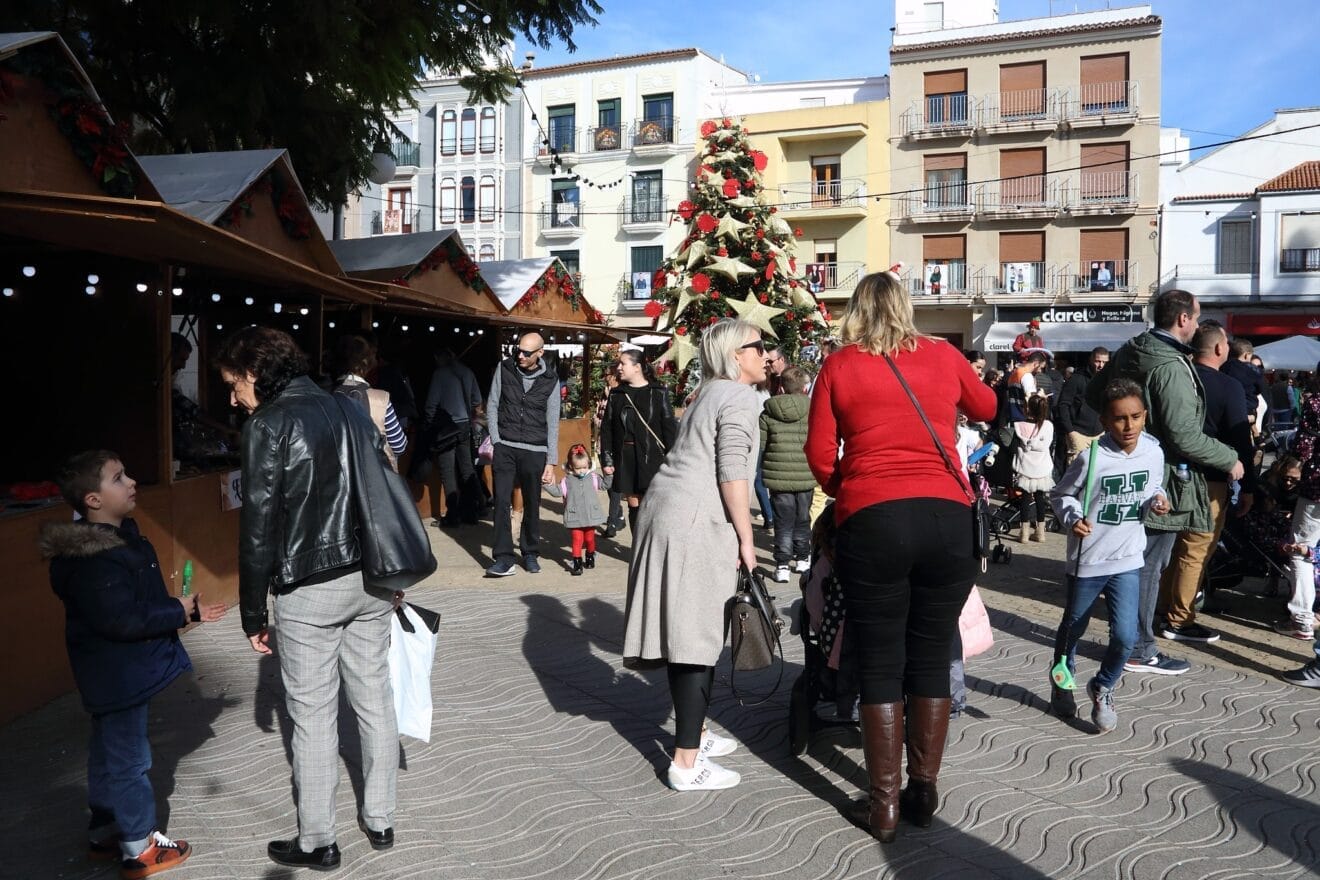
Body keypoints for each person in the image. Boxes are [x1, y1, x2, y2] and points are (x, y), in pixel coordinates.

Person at [806, 272, 997, 843]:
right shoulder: (942, 354)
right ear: (906, 307)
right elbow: (987, 405)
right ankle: (923, 791)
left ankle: (883, 805)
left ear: (856, 311)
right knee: (932, 653)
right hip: (947, 518)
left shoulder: (839, 365)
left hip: (875, 519)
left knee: (881, 660)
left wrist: (851, 489)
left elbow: (819, 453)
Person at [217, 326, 400, 871]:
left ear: (254, 372)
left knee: (315, 714)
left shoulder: (268, 424)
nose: (233, 398)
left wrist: (253, 612)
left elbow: (258, 526)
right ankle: (381, 818)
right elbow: (383, 490)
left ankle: (319, 840)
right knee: (375, 696)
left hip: (308, 585)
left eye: (233, 384)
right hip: (371, 577)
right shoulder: (351, 407)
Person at [41, 450, 225, 879]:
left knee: (108, 751)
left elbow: (132, 603)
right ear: (93, 500)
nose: (131, 482)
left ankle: (105, 829)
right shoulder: (95, 557)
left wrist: (183, 611)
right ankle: (139, 846)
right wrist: (176, 611)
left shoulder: (119, 538)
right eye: (118, 478)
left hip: (114, 671)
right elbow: (121, 619)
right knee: (130, 760)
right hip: (118, 674)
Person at [622, 319, 765, 792]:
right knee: (696, 639)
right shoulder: (740, 396)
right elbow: (732, 472)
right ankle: (686, 763)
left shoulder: (709, 391)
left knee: (685, 632)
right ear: (736, 355)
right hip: (694, 520)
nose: (766, 354)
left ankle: (696, 734)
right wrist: (747, 538)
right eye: (758, 346)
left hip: (668, 510)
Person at [1087, 290, 1244, 677]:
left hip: (1131, 467)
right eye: (1196, 317)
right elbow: (1183, 435)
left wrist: (1128, 435)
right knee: (1146, 566)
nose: (1196, 324)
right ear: (1184, 319)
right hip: (1162, 476)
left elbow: (1095, 395)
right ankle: (1138, 648)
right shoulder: (1170, 365)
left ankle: (1132, 641)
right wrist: (1230, 459)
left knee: (1135, 562)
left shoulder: (1133, 349)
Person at [1049, 380, 1169, 732]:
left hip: (1129, 557)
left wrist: (1158, 500)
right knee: (1073, 628)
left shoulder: (1154, 451)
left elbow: (1154, 485)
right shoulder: (1091, 457)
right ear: (1104, 421)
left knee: (1126, 636)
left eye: (1135, 416)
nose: (1129, 426)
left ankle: (1103, 687)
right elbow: (1060, 494)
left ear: (1145, 415)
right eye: (1119, 418)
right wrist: (1073, 518)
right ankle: (1062, 680)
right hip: (1089, 559)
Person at [1158, 321, 1255, 644]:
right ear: (1218, 348)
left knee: (1173, 548)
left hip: (1172, 475)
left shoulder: (1177, 377)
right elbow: (1241, 440)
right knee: (1196, 551)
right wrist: (1250, 487)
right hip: (1211, 480)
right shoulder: (1229, 386)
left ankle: (1162, 607)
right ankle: (1180, 619)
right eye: (1226, 343)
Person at [485, 332, 560, 577]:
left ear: (540, 353)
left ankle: (530, 552)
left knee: (532, 502)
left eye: (527, 353)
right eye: (518, 350)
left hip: (535, 449)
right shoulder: (505, 368)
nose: (520, 356)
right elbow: (492, 403)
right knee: (501, 501)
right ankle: (504, 557)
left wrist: (551, 460)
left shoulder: (551, 379)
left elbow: (553, 421)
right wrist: (496, 440)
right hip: (505, 446)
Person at [599, 348, 678, 536]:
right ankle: (637, 546)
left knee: (652, 504)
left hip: (652, 459)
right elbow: (607, 429)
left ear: (637, 367)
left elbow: (669, 428)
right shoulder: (617, 394)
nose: (619, 368)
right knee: (634, 505)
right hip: (626, 459)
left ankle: (652, 545)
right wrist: (607, 459)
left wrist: (674, 460)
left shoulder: (658, 393)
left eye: (623, 363)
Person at [761, 365, 816, 582]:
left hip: (778, 477)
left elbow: (761, 444)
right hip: (805, 475)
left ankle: (782, 565)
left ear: (782, 387)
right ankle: (803, 559)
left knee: (783, 522)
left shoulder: (768, 412)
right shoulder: (813, 409)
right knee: (803, 518)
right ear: (804, 388)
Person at [1277, 371, 1320, 648]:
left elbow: (1303, 447)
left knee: (1300, 549)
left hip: (1316, 488)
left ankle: (1302, 619)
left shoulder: (1315, 403)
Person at [421, 347, 483, 526]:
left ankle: (453, 515)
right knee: (467, 469)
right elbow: (477, 400)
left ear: (439, 357)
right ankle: (472, 512)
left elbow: (431, 404)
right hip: (465, 425)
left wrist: (429, 424)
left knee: (447, 471)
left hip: (446, 427)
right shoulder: (467, 372)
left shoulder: (439, 374)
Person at [331, 335, 408, 467]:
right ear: (366, 363)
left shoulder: (327, 396)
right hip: (373, 474)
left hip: (337, 473)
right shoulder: (380, 399)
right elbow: (399, 445)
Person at [544, 444, 612, 576]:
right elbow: (557, 492)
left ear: (589, 464)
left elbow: (605, 485)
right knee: (577, 540)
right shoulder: (566, 481)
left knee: (590, 539)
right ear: (570, 466)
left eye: (584, 467)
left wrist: (609, 475)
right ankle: (577, 564)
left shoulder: (593, 477)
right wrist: (546, 484)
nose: (581, 471)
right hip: (575, 516)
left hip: (590, 515)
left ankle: (590, 556)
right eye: (578, 468)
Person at [1012, 394, 1055, 543]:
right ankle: (1040, 533)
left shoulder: (1019, 426)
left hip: (1025, 466)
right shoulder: (1048, 426)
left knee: (1025, 498)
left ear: (1027, 408)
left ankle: (1024, 533)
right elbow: (1048, 445)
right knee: (1039, 498)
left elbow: (1013, 446)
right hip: (1042, 467)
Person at [1057, 347, 1109, 466]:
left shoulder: (1107, 380)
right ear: (1091, 360)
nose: (1101, 365)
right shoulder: (1077, 378)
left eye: (1104, 362)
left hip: (1100, 434)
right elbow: (1063, 405)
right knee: (1077, 472)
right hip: (1078, 434)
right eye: (1098, 361)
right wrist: (1070, 431)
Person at [594, 363, 627, 537]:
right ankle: (619, 515)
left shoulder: (620, 394)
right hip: (602, 444)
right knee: (609, 484)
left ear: (615, 375)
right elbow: (599, 418)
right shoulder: (604, 393)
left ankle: (612, 521)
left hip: (616, 445)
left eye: (607, 374)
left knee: (614, 483)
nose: (605, 378)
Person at [1220, 338, 1267, 436]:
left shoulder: (1223, 367)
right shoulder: (1253, 370)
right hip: (1247, 410)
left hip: (1225, 410)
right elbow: (1261, 388)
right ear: (1247, 355)